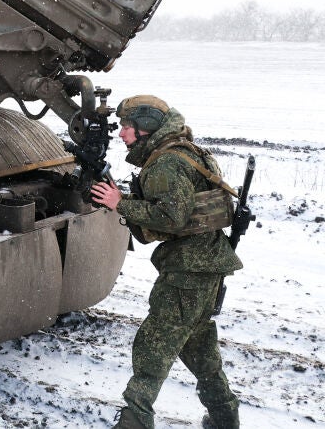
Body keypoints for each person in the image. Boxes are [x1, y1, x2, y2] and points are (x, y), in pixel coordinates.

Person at [90, 95, 243, 429]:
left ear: (146, 127)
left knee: (153, 348)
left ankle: (134, 422)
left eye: (127, 126)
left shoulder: (166, 163)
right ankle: (224, 417)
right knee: (200, 350)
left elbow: (172, 217)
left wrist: (120, 204)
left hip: (188, 272)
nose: (121, 133)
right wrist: (124, 201)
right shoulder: (185, 151)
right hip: (206, 266)